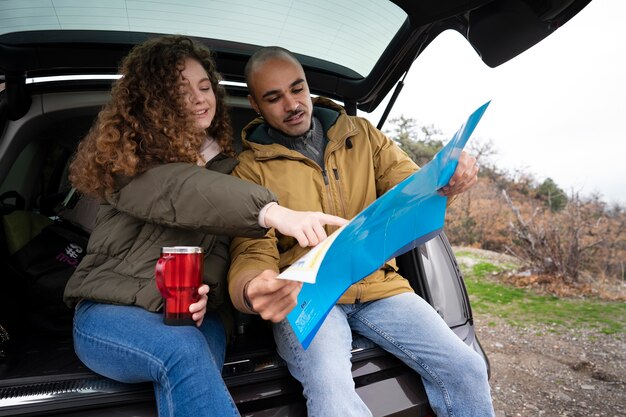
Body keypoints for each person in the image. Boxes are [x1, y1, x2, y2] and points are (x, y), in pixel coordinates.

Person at [63, 36, 346, 417]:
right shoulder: (129, 162)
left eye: (204, 86)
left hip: (192, 320)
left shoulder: (230, 169)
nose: (200, 99)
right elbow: (183, 191)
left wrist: (208, 297)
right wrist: (274, 212)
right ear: (153, 100)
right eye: (182, 91)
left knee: (191, 356)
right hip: (110, 314)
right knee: (183, 352)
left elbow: (231, 257)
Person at [227, 46, 495, 417]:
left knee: (467, 367)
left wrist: (446, 176)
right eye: (274, 98)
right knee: (333, 392)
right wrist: (254, 283)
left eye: (297, 89)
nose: (292, 104)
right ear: (256, 105)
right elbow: (252, 249)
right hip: (309, 299)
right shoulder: (249, 168)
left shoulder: (362, 135)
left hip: (379, 284)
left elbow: (411, 188)